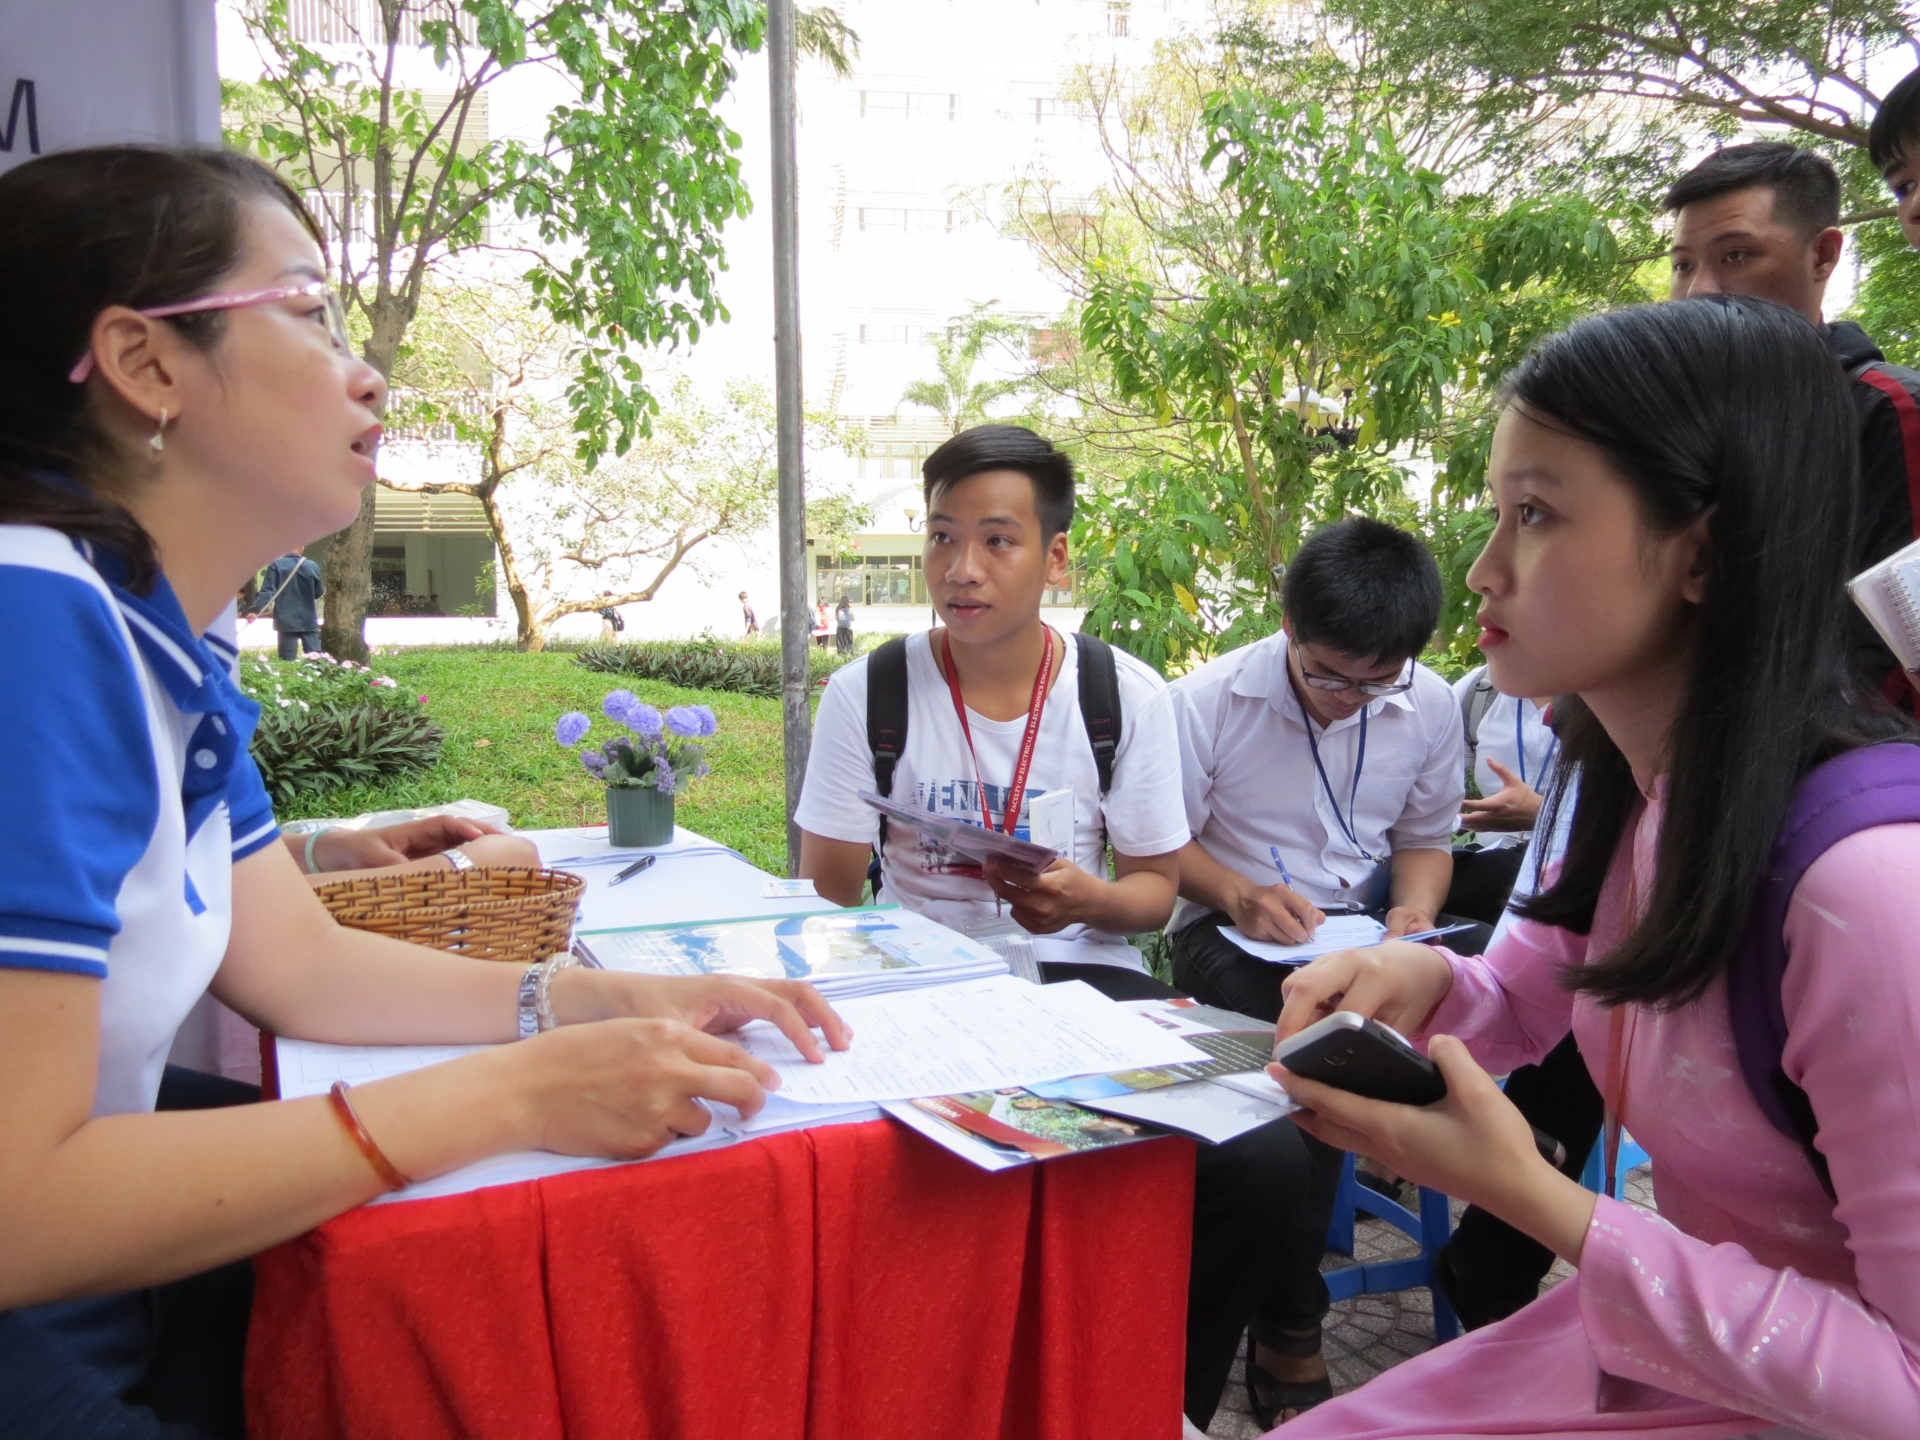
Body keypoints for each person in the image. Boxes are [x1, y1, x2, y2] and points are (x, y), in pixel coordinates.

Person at [0, 145, 850, 1440]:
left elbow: (302, 969)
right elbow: (22, 1209)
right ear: (146, 365)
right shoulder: (34, 618)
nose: (366, 369)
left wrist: (603, 999)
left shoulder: (161, 628)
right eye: (306, 309)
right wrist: (509, 1096)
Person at [1269, 294, 1920, 1438]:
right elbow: (1520, 995)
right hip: (1671, 1349)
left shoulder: (1868, 893)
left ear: (1706, 552)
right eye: (1494, 512)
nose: (1481, 572)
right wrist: (1425, 983)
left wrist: (1540, 1203)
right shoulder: (1624, 790)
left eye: (1534, 514)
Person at [793, 424, 1325, 1428]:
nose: (961, 570)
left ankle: (1159, 1403)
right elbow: (825, 895)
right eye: (942, 537)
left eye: (998, 540)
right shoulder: (869, 691)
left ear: (1056, 556)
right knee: (871, 1166)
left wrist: (1083, 901)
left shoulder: (1119, 695)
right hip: (923, 987)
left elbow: (1156, 893)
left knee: (1264, 1160)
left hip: (1087, 980)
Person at [1665, 140, 1920, 705]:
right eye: (1683, 265)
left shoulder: (1889, 411)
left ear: (1823, 256)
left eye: (1735, 255)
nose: (1698, 289)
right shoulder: (1669, 432)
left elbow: (1905, 653)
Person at [1445, 668, 1556, 926]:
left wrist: (1545, 814)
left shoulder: (1615, 692)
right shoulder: (1479, 689)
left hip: (1585, 865)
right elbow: (1428, 778)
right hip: (1491, 861)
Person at [250, 544, 324, 659]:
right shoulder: (312, 566)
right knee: (316, 659)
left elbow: (268, 591)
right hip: (308, 619)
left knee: (287, 659)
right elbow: (319, 592)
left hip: (285, 620)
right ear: (302, 547)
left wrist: (255, 610)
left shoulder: (276, 565)